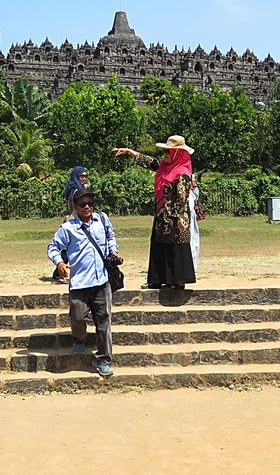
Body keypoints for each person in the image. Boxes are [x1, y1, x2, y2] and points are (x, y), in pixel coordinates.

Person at [46, 187, 118, 377]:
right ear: (75, 207)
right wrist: (60, 262)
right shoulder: (68, 229)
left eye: (90, 203)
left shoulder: (102, 220)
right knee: (77, 318)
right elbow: (52, 247)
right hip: (79, 283)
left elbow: (111, 236)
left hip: (101, 281)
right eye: (82, 204)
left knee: (104, 321)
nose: (87, 207)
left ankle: (104, 360)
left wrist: (114, 251)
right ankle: (79, 338)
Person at [112, 135, 197, 290]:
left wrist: (180, 217)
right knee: (159, 245)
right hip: (161, 216)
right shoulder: (164, 167)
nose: (165, 155)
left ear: (178, 153)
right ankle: (157, 279)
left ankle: (175, 281)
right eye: (164, 151)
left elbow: (182, 197)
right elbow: (150, 162)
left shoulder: (182, 172)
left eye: (168, 152)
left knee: (175, 248)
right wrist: (130, 152)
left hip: (175, 218)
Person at [52, 166, 90, 284]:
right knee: (67, 247)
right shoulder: (75, 189)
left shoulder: (76, 187)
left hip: (76, 219)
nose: (84, 178)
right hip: (73, 220)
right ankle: (59, 272)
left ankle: (59, 272)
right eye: (81, 176)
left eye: (85, 176)